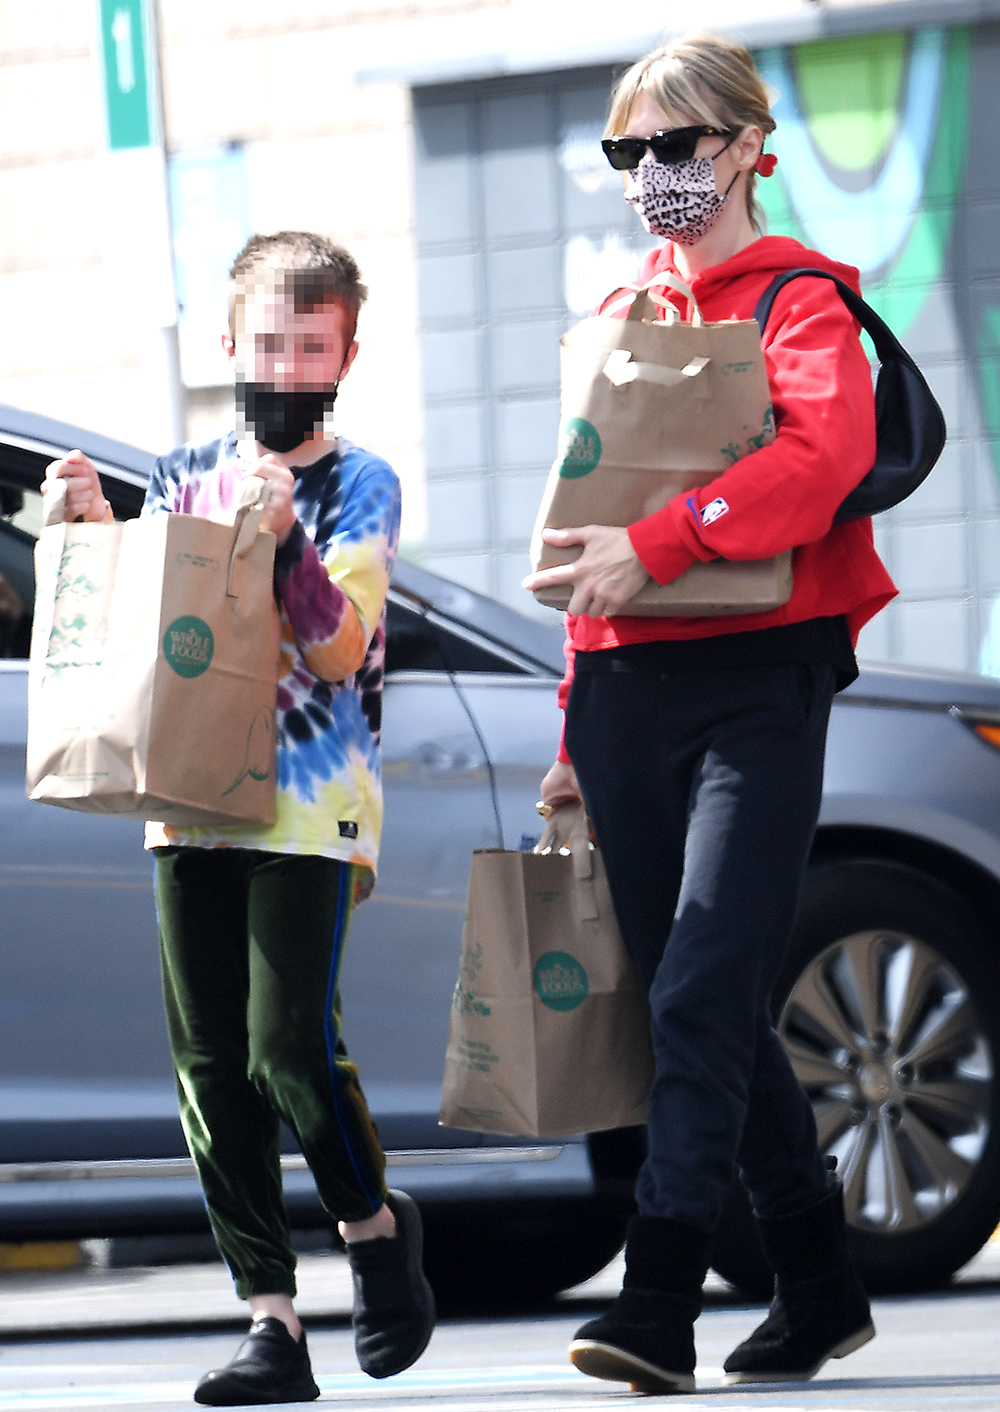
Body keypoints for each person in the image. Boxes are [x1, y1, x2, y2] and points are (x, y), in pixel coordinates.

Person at [522, 33, 896, 1396]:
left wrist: (666, 542)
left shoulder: (801, 298)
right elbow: (581, 531)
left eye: (679, 147)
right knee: (712, 1002)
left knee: (696, 984)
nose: (655, 177)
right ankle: (819, 1283)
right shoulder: (623, 308)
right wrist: (571, 733)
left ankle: (659, 1296)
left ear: (747, 146)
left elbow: (824, 454)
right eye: (632, 152)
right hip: (622, 684)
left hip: (762, 678)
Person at [42, 231, 435, 1407]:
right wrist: (85, 531)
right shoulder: (181, 477)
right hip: (185, 794)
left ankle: (373, 1229)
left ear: (344, 357)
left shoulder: (359, 482)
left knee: (285, 1047)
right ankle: (271, 1318)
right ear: (230, 345)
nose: (285, 365)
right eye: (268, 343)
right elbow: (141, 639)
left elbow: (341, 644)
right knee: (209, 1064)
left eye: (309, 349)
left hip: (308, 802)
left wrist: (285, 542)